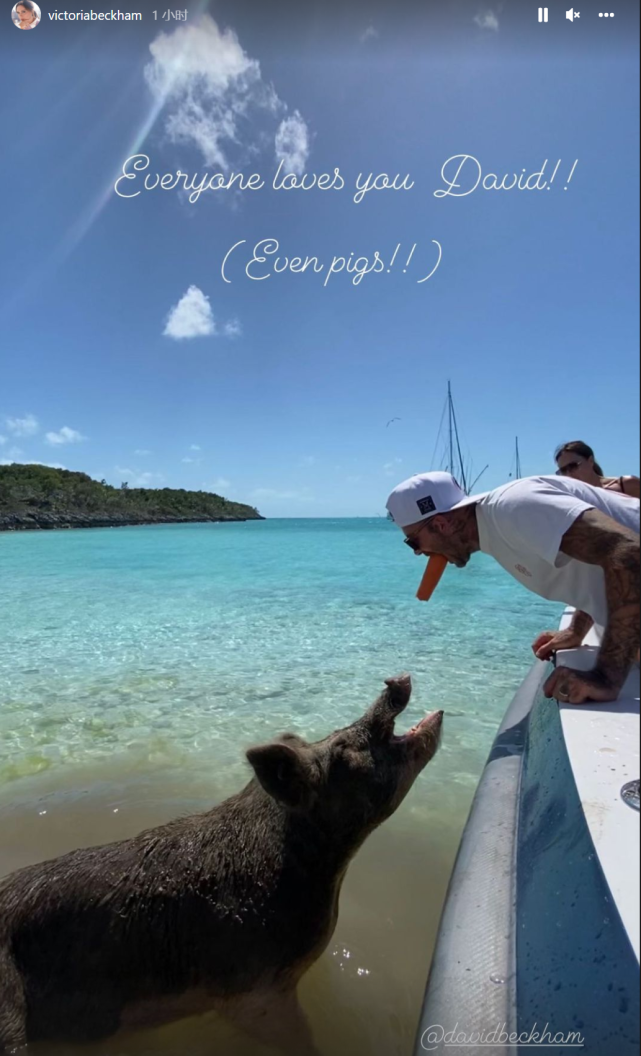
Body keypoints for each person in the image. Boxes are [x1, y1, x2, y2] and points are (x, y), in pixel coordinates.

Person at [386, 471, 640, 705]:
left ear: (441, 525)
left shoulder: (514, 509)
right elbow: (591, 566)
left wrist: (607, 676)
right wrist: (577, 629)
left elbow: (629, 553)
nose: (418, 553)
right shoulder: (498, 527)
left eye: (413, 542)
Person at [555, 440, 640, 499]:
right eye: (563, 470)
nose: (569, 473)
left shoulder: (627, 485)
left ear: (590, 461)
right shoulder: (573, 499)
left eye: (573, 466)